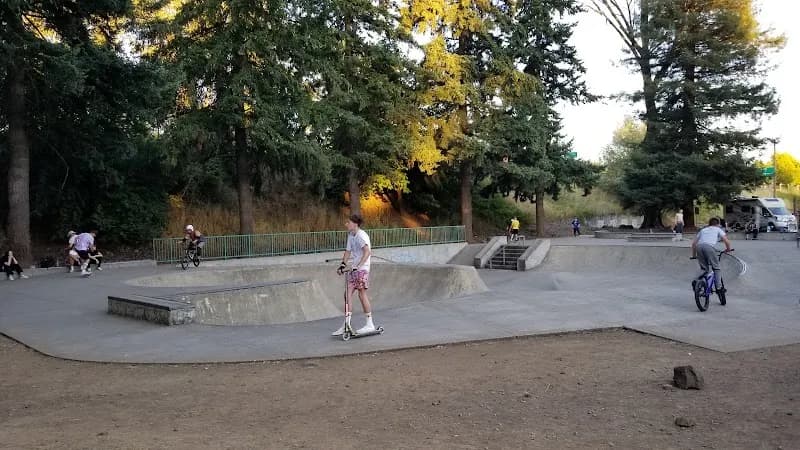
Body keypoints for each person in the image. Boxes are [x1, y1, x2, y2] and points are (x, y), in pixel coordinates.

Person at [332, 214, 375, 336]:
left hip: (362, 269)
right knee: (347, 294)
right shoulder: (351, 235)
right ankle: (347, 324)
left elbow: (367, 252)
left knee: (361, 293)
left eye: (348, 222)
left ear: (355, 224)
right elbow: (348, 251)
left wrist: (359, 265)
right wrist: (342, 265)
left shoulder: (361, 235)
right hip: (354, 268)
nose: (346, 224)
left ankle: (369, 324)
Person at [691, 217, 732, 294]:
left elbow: (693, 244)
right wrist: (728, 249)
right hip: (709, 247)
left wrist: (693, 255)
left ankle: (695, 280)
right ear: (718, 224)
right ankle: (719, 288)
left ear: (709, 224)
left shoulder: (703, 230)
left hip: (699, 247)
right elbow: (726, 241)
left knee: (704, 269)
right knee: (716, 268)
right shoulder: (718, 229)